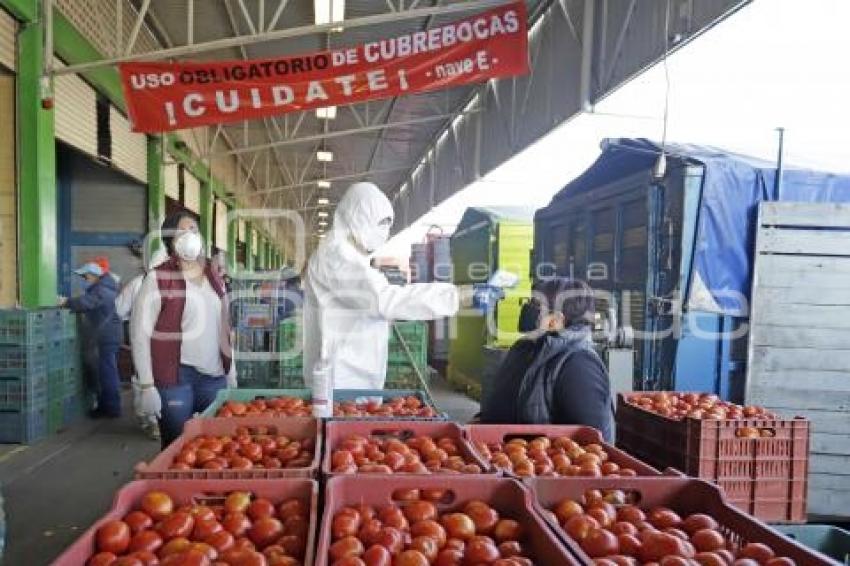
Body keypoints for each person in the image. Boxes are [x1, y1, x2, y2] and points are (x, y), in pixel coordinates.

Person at [303, 182, 459, 394]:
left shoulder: (350, 254)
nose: (383, 232)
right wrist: (458, 296)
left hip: (353, 378)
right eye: (379, 223)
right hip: (340, 381)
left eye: (387, 224)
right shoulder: (336, 256)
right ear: (357, 217)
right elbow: (383, 299)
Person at [131, 211, 237, 447]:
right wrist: (146, 384)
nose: (190, 235)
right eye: (183, 231)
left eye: (194, 230)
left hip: (214, 375)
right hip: (176, 377)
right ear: (170, 239)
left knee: (216, 446)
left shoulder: (214, 277)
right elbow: (139, 333)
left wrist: (231, 371)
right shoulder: (159, 278)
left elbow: (225, 326)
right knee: (178, 445)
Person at [479, 278, 615, 441]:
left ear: (556, 320)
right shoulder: (524, 347)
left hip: (535, 461)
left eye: (536, 306)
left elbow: (590, 442)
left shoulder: (579, 364)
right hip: (500, 454)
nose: (528, 310)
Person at [59, 261, 123, 418]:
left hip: (106, 338)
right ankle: (107, 406)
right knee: (106, 372)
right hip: (107, 336)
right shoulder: (104, 287)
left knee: (106, 373)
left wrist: (66, 302)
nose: (84, 278)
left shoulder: (102, 290)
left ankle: (111, 408)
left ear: (95, 275)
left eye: (85, 275)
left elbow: (85, 303)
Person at [116, 247, 167, 440]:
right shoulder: (180, 284)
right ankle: (157, 420)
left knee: (144, 377)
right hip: (167, 343)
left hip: (144, 340)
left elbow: (119, 310)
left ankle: (151, 420)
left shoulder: (137, 283)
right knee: (160, 379)